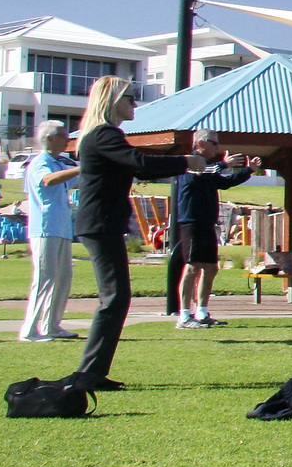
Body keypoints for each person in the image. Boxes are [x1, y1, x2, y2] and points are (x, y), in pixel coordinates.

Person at [69, 76, 207, 389]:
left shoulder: (102, 135)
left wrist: (180, 163)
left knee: (116, 298)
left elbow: (138, 167)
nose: (135, 103)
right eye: (129, 98)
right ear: (112, 101)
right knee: (114, 298)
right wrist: (185, 161)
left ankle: (92, 372)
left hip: (101, 224)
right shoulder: (104, 134)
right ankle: (89, 374)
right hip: (100, 224)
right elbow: (138, 162)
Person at [172, 128, 258, 328]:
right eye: (214, 143)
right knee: (192, 267)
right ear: (201, 143)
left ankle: (202, 312)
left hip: (207, 223)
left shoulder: (210, 169)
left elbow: (225, 182)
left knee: (211, 268)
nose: (217, 147)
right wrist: (224, 164)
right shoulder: (190, 163)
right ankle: (184, 316)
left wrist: (249, 170)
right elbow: (200, 173)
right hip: (192, 222)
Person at [19, 119, 82, 344]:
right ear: (49, 139)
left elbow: (74, 179)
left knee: (63, 278)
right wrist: (81, 168)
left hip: (62, 228)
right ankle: (29, 330)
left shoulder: (57, 163)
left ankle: (51, 325)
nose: (67, 139)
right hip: (45, 228)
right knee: (44, 278)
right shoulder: (40, 163)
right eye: (63, 135)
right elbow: (47, 180)